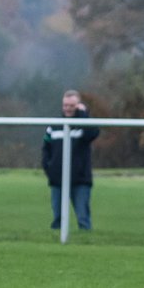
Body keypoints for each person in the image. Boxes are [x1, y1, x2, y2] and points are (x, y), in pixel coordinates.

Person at [41, 90, 99, 231]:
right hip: (58, 180)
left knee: (83, 218)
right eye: (65, 105)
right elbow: (45, 149)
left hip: (80, 180)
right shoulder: (54, 126)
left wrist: (84, 115)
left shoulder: (84, 125)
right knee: (57, 218)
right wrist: (49, 168)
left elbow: (93, 134)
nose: (68, 108)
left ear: (78, 106)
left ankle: (86, 244)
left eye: (72, 106)